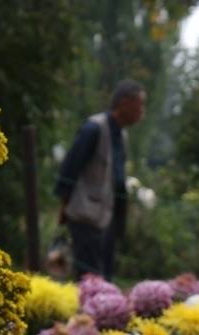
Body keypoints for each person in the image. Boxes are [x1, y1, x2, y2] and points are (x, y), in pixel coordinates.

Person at [55, 79, 146, 280]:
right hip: (85, 212)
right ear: (124, 103)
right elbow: (70, 168)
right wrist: (64, 207)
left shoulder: (121, 135)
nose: (142, 111)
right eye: (139, 105)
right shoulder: (93, 129)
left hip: (107, 217)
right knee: (91, 275)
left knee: (104, 274)